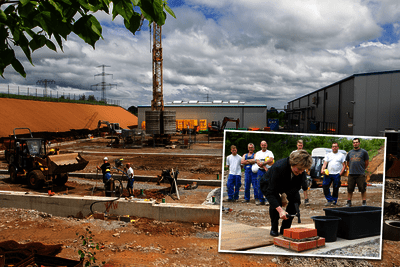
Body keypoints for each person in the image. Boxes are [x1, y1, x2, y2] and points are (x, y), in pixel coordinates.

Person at [260, 150, 313, 236]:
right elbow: (270, 192)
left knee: (296, 199)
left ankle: (285, 228)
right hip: (269, 183)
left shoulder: (301, 170)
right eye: (299, 169)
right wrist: (280, 210)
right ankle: (274, 227)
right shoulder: (279, 167)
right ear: (293, 163)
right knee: (276, 202)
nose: (300, 172)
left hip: (287, 184)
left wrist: (285, 195)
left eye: (302, 170)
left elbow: (297, 187)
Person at [345, 138, 369, 207]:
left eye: (356, 142)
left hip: (360, 174)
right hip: (351, 174)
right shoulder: (350, 152)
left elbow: (366, 162)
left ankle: (364, 202)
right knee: (350, 189)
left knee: (363, 188)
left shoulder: (364, 152)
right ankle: (349, 202)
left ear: (359, 143)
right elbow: (348, 163)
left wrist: (362, 169)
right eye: (354, 142)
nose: (355, 143)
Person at [291, 140, 310, 206]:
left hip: (302, 171)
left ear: (302, 145)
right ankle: (294, 199)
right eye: (299, 145)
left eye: (301, 145)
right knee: (294, 185)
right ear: (297, 145)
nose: (300, 146)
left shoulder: (305, 153)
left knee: (304, 185)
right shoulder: (294, 152)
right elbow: (291, 161)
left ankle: (306, 199)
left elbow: (308, 161)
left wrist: (307, 170)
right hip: (295, 171)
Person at [254, 140, 274, 205]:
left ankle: (267, 200)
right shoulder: (258, 153)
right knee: (259, 185)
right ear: (260, 145)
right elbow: (257, 161)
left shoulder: (270, 152)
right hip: (260, 171)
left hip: (268, 171)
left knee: (268, 185)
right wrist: (264, 165)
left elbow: (271, 159)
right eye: (262, 145)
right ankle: (261, 200)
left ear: (266, 145)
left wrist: (263, 163)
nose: (263, 146)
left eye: (264, 145)